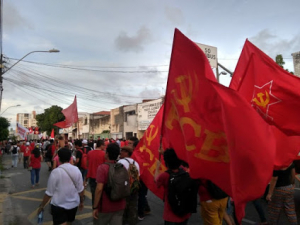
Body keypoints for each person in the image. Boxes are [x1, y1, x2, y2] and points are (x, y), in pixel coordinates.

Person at [38, 148, 84, 225]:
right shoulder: (76, 170)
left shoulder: (55, 172)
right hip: (73, 205)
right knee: (69, 222)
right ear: (70, 158)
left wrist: (42, 206)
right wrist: (81, 202)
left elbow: (49, 193)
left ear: (59, 158)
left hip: (58, 205)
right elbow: (80, 189)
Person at [155, 148, 191, 225]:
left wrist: (157, 167)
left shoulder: (165, 175)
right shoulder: (183, 170)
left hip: (171, 213)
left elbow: (156, 181)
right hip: (185, 211)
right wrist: (164, 154)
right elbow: (175, 160)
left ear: (166, 162)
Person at [93, 143, 126, 225]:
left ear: (107, 154)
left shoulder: (102, 168)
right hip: (120, 205)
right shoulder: (122, 167)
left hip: (105, 207)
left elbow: (99, 189)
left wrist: (95, 206)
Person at [118, 146, 140, 225]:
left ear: (127, 153)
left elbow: (118, 177)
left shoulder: (121, 162)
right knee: (133, 207)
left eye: (123, 151)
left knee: (123, 207)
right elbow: (138, 176)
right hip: (134, 188)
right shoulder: (135, 162)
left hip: (124, 188)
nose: (121, 152)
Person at [86, 139, 106, 205]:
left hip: (91, 176)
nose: (105, 147)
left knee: (93, 194)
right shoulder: (104, 154)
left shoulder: (89, 153)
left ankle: (94, 207)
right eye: (104, 145)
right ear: (101, 145)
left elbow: (87, 164)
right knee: (101, 194)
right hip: (100, 177)